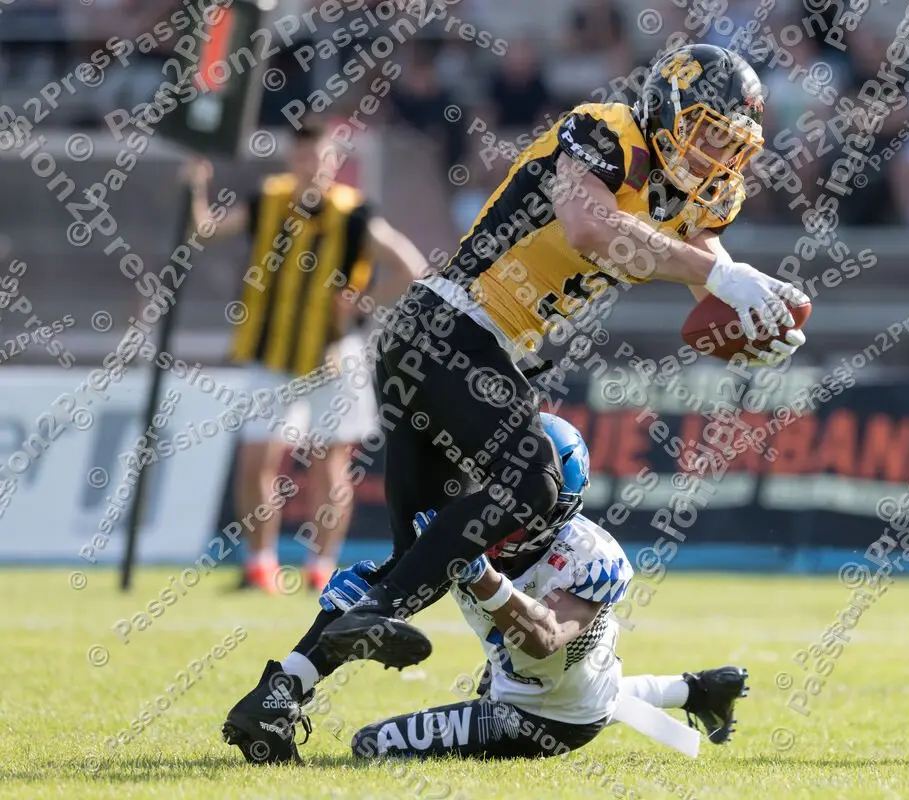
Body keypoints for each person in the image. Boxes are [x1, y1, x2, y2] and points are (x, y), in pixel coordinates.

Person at [310, 43, 808, 668]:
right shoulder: (609, 132)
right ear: (667, 108)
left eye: (729, 145)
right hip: (452, 324)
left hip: (464, 346)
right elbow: (589, 227)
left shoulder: (703, 195)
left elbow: (707, 268)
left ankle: (278, 695)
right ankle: (377, 613)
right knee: (531, 481)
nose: (714, 155)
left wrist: (751, 323)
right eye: (705, 133)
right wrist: (725, 282)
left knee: (419, 552)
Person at [222, 413, 749, 762]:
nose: (504, 512)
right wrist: (292, 678)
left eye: (523, 498)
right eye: (498, 489)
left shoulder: (592, 556)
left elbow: (545, 639)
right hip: (567, 683)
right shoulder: (470, 523)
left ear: (557, 501)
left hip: (546, 714)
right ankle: (703, 688)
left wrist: (477, 571)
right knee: (369, 587)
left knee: (370, 746)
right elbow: (368, 596)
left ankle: (696, 690)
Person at [186, 119, 429, 593]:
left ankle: (321, 568)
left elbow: (409, 266)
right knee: (258, 456)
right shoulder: (269, 201)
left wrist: (364, 303)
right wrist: (196, 188)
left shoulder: (353, 214)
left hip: (334, 354)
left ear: (334, 163)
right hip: (271, 352)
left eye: (319, 158)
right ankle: (260, 565)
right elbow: (206, 232)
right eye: (302, 157)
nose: (309, 166)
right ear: (291, 160)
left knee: (329, 460)